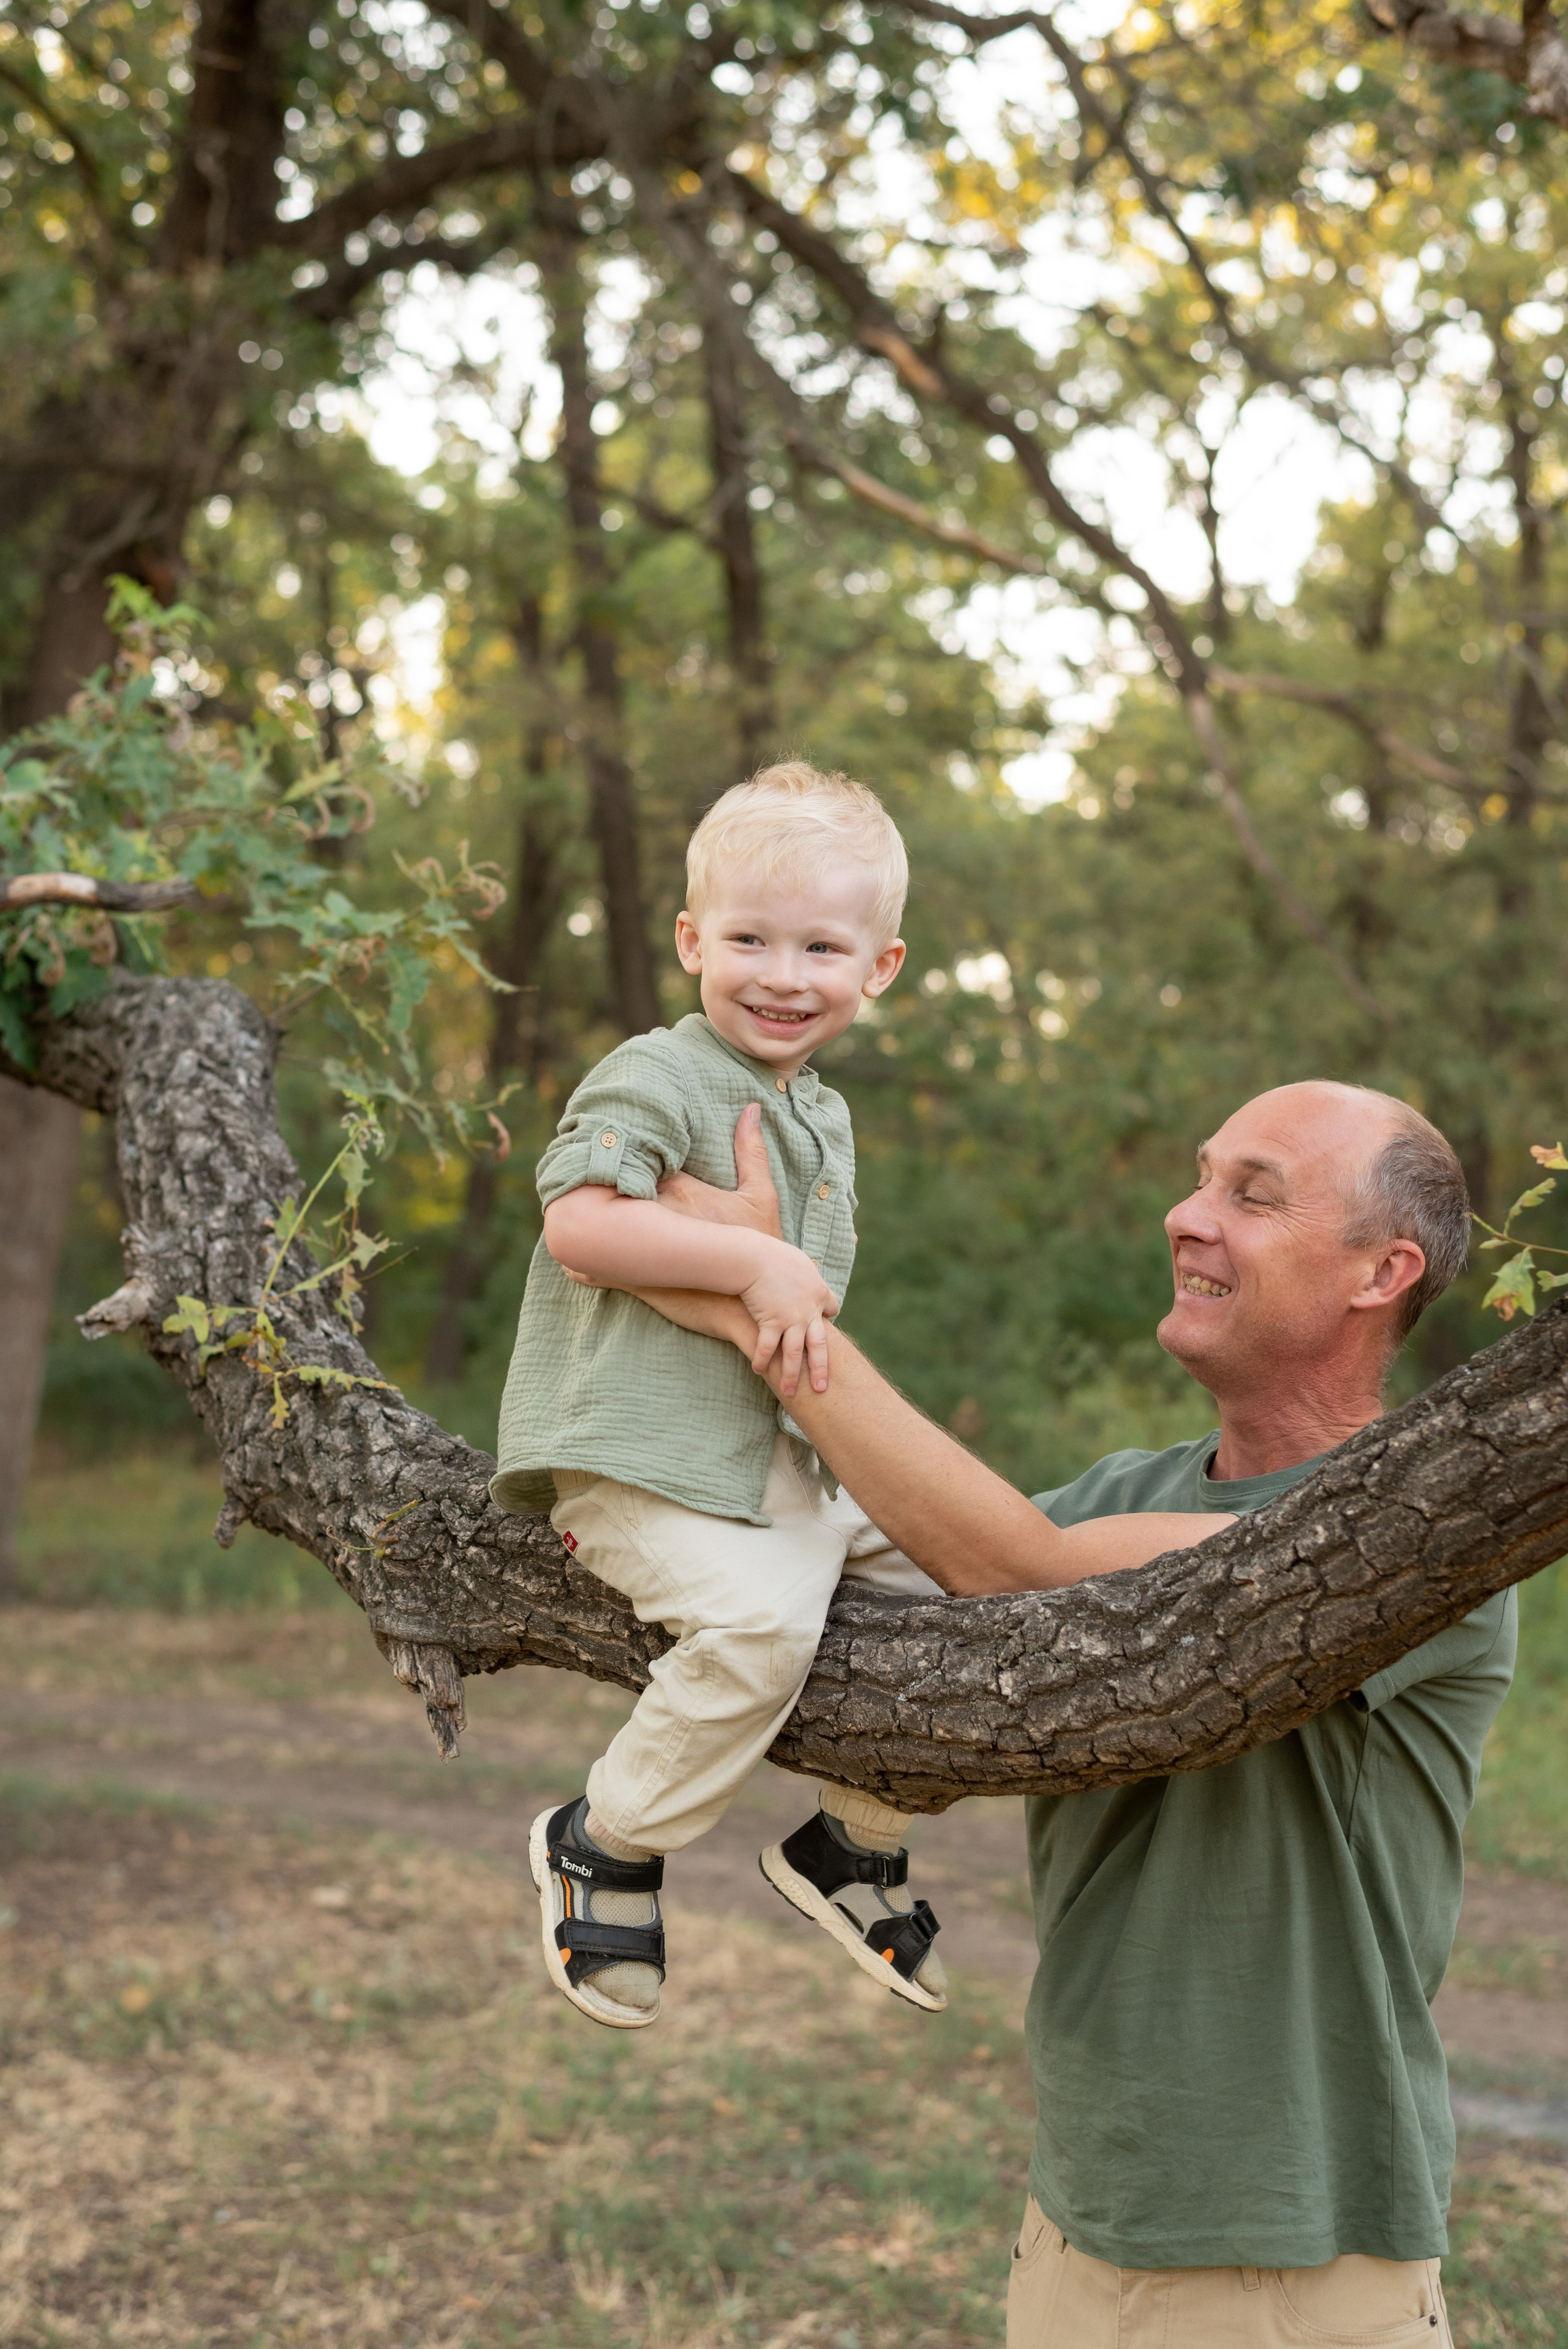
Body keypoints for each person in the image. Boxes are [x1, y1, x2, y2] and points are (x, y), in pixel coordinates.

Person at [612, 1079, 1507, 2346]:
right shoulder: (1117, 1493)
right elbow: (899, 1597)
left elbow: (1014, 1570)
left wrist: (765, 1303)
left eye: (1248, 1194)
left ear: (1380, 1271)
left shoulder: (1423, 1536)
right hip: (1082, 2212)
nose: (1184, 1216)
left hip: (1288, 2249)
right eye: (1198, 1177)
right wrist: (730, 1279)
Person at [489, 760, 1231, 2034]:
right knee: (760, 1637)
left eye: (820, 946)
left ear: (878, 967)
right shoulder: (655, 1076)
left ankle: (852, 1839)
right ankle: (605, 1837)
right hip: (636, 1462)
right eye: (748, 939)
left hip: (773, 1466)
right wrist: (757, 1256)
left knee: (973, 1595)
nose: (782, 974)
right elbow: (579, 1227)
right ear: (690, 943)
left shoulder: (817, 1115)